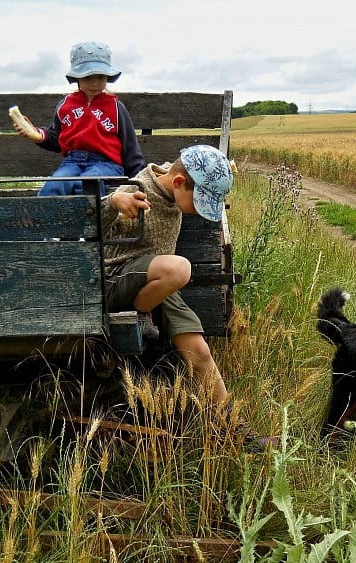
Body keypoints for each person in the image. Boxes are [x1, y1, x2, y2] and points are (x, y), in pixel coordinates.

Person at [103, 144, 274, 449]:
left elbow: (176, 163)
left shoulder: (172, 178)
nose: (199, 210)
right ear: (180, 184)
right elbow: (90, 218)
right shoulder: (136, 191)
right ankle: (142, 314)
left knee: (200, 351)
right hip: (117, 281)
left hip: (156, 281)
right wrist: (114, 200)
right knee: (180, 268)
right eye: (199, 202)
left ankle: (234, 430)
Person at [13, 41, 145, 196]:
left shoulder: (116, 108)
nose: (95, 83)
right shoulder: (65, 106)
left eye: (100, 77)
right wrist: (38, 134)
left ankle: (91, 220)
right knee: (53, 187)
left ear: (107, 77)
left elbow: (130, 147)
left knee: (88, 185)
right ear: (77, 77)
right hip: (72, 162)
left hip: (106, 164)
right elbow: (57, 138)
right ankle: (48, 220)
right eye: (88, 77)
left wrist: (140, 181)